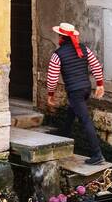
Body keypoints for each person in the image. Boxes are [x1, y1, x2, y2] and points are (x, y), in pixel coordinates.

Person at [45, 21, 106, 165]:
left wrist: (50, 94)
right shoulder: (84, 49)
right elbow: (96, 65)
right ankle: (65, 133)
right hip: (85, 88)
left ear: (61, 37)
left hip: (75, 91)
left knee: (85, 121)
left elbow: (52, 77)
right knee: (72, 109)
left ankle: (97, 154)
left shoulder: (57, 54)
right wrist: (99, 84)